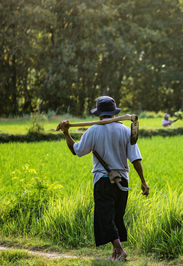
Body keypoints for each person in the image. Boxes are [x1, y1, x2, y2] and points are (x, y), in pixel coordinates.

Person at [57, 96, 149, 261]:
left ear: (99, 114)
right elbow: (136, 159)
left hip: (103, 180)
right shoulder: (125, 131)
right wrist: (143, 181)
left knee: (104, 217)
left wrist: (66, 133)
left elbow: (76, 151)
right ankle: (116, 252)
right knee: (115, 217)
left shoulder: (93, 130)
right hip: (123, 181)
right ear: (114, 113)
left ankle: (120, 250)